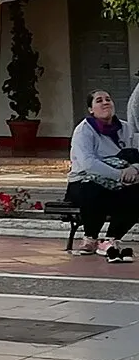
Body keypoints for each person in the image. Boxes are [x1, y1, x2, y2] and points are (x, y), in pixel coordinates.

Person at [66, 89, 139, 260]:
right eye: (99, 100)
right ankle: (90, 238)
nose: (105, 102)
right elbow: (88, 163)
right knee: (92, 188)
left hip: (120, 183)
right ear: (91, 109)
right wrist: (119, 174)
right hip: (83, 182)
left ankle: (111, 239)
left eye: (108, 99)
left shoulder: (126, 128)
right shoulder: (84, 130)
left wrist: (134, 169)